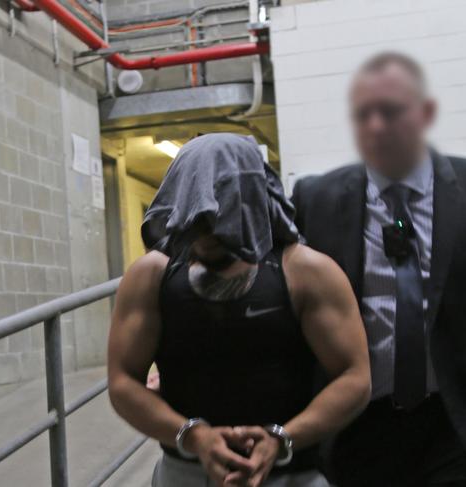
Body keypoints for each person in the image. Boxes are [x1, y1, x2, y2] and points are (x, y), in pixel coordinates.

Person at [291, 52, 466, 487]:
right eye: (364, 115)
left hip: (460, 428)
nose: (377, 125)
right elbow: (283, 316)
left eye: (391, 111)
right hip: (356, 430)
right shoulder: (315, 200)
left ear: (425, 113)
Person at [107, 133, 371, 487]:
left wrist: (280, 440)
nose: (208, 233)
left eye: (221, 218)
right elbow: (123, 380)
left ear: (248, 203)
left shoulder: (306, 272)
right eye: (197, 220)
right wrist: (194, 437)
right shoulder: (151, 276)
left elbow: (355, 376)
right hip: (185, 474)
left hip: (291, 474)